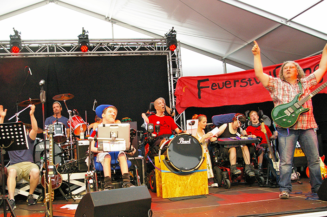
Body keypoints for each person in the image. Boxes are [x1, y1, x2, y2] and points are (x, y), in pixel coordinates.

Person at [252, 40, 327, 199]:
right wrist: (257, 55)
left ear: (297, 71)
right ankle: (285, 189)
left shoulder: (306, 82)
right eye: (285, 68)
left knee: (314, 160)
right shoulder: (276, 84)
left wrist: (325, 51)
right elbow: (259, 74)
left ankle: (318, 189)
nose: (287, 69)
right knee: (286, 162)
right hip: (285, 129)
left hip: (307, 126)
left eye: (291, 67)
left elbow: (322, 68)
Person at [0, 105, 40, 210]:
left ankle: (30, 195)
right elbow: (0, 132)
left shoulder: (28, 138)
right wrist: (2, 118)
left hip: (28, 164)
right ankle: (11, 199)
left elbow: (35, 129)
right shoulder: (9, 141)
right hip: (14, 165)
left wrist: (32, 114)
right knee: (12, 171)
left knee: (36, 171)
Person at [90, 105, 136, 190]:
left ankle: (127, 182)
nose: (113, 114)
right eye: (110, 112)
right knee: (107, 156)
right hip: (103, 154)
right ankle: (107, 184)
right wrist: (102, 150)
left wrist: (131, 149)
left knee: (122, 154)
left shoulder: (121, 128)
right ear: (103, 115)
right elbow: (91, 148)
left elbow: (127, 146)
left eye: (115, 113)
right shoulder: (96, 129)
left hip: (117, 153)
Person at [192, 114, 218, 187]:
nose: (205, 124)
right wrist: (204, 137)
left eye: (206, 122)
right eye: (203, 122)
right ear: (198, 122)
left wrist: (210, 138)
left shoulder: (203, 131)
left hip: (205, 151)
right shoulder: (194, 132)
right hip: (198, 153)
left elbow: (205, 143)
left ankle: (208, 182)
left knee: (208, 166)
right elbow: (195, 144)